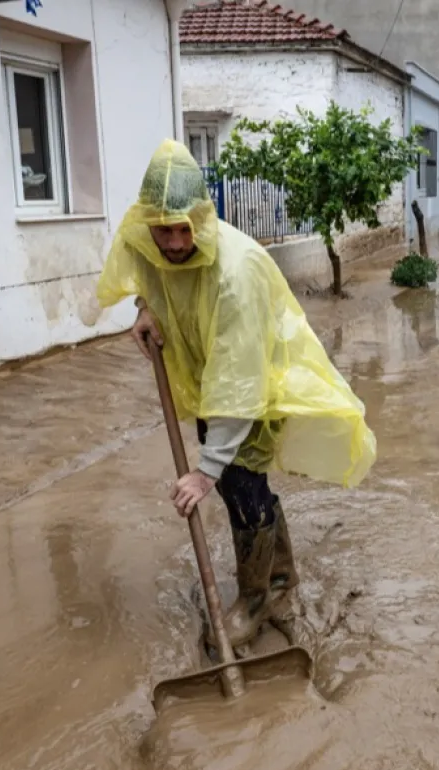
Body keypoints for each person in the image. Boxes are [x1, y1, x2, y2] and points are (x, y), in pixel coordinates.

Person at [97, 140, 376, 653]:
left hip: (255, 384)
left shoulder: (235, 272)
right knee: (241, 486)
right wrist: (146, 310)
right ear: (149, 224)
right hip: (217, 385)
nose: (176, 242)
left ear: (202, 218)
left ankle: (255, 599)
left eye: (185, 230)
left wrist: (205, 469)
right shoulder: (152, 243)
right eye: (165, 230)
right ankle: (283, 575)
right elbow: (153, 278)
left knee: (240, 489)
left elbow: (239, 378)